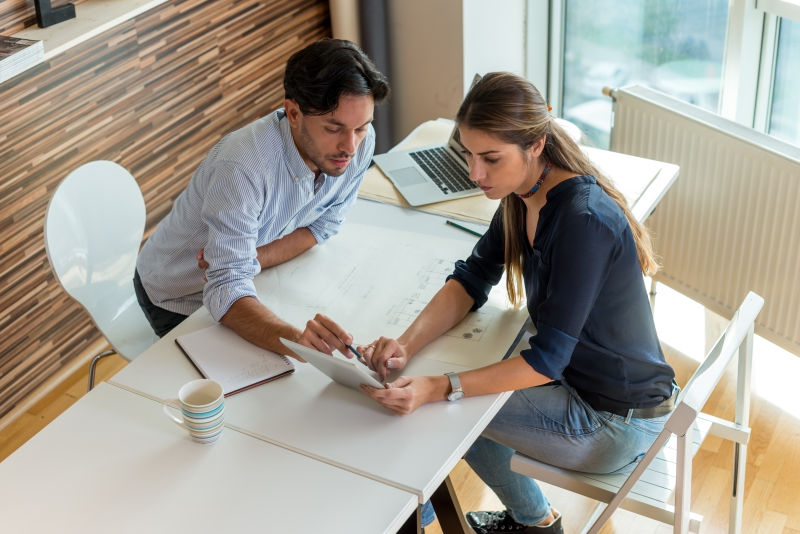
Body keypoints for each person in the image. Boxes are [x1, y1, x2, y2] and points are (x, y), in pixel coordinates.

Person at [359, 72, 677, 534]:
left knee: (447, 407)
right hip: (583, 387)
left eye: (490, 158)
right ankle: (535, 522)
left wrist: (437, 387)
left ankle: (422, 519)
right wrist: (407, 345)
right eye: (468, 154)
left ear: (536, 145)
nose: (475, 173)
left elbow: (546, 360)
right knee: (451, 388)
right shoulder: (523, 193)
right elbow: (473, 278)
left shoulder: (581, 221)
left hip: (613, 423)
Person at [134, 38, 390, 359]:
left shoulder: (360, 145)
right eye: (333, 128)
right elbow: (225, 288)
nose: (350, 147)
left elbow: (323, 226)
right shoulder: (242, 166)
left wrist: (249, 259)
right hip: (178, 294)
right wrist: (299, 342)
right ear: (293, 113)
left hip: (245, 278)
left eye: (361, 128)